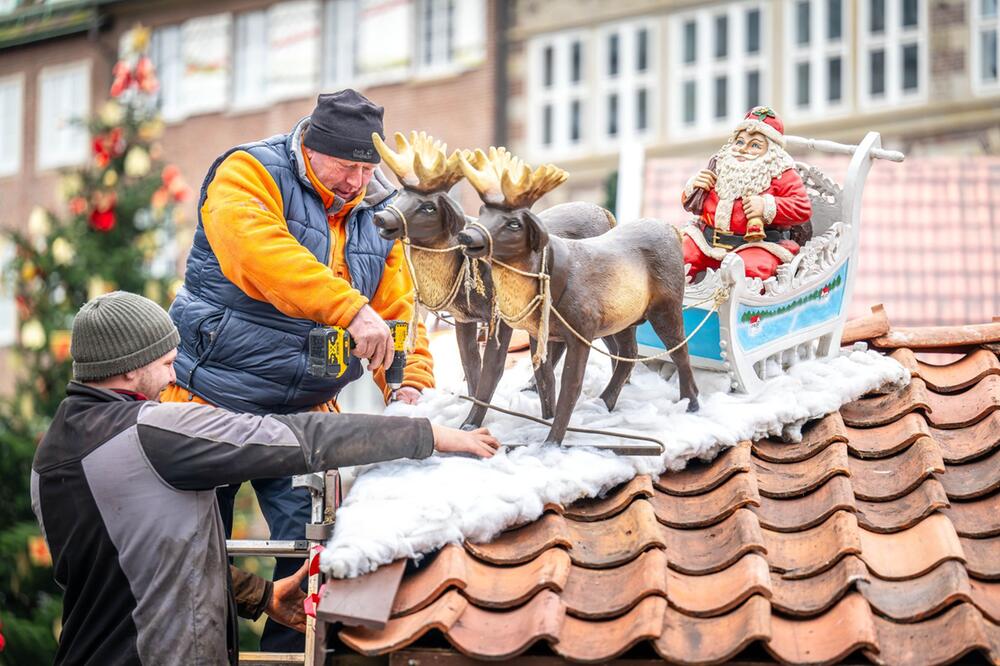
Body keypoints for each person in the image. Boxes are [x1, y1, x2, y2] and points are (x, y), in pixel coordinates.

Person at [30, 291, 499, 665]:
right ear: (129, 367)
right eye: (166, 360)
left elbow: (140, 564)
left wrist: (262, 594)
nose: (176, 370)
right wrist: (427, 434)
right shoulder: (153, 430)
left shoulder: (50, 456)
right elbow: (297, 437)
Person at [161, 89, 435, 649]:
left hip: (304, 411)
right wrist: (350, 308)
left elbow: (398, 312)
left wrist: (409, 384)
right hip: (208, 399)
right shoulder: (247, 172)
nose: (358, 181)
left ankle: (292, 652)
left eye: (368, 168)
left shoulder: (379, 212)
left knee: (314, 565)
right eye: (347, 166)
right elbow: (261, 254)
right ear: (310, 145)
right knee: (191, 554)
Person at [680, 106, 812, 281]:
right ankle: (676, 305)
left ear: (771, 151)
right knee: (677, 257)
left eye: (755, 145)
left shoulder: (781, 172)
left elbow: (802, 208)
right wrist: (694, 187)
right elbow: (693, 206)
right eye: (740, 142)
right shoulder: (720, 163)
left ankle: (737, 308)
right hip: (706, 242)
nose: (742, 149)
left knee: (749, 271)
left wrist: (766, 206)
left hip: (756, 246)